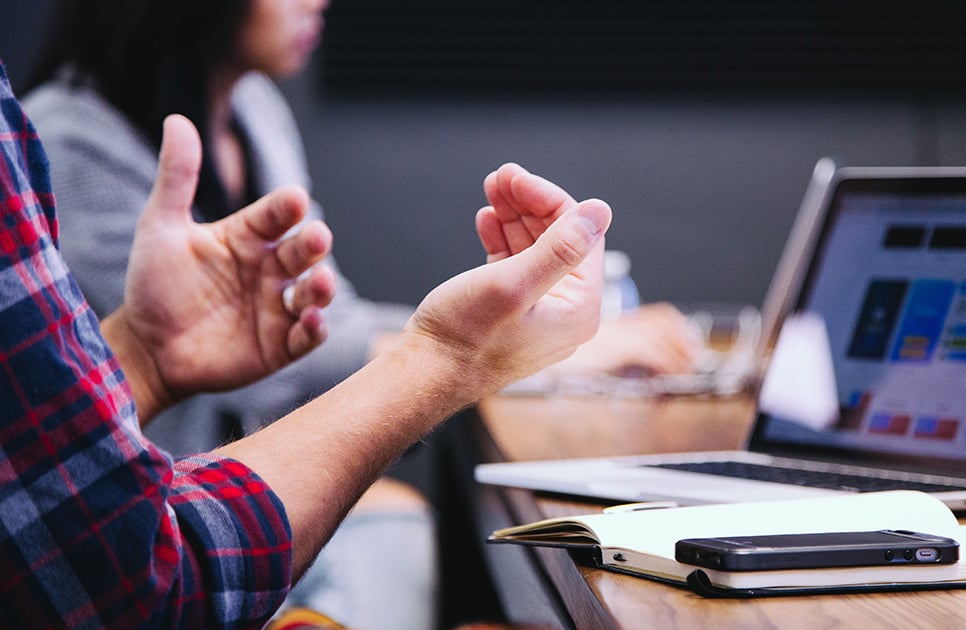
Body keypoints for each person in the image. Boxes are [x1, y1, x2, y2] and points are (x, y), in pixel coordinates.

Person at [0, 55, 613, 628]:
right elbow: (137, 580)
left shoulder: (254, 106)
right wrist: (446, 358)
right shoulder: (64, 136)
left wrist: (142, 356)